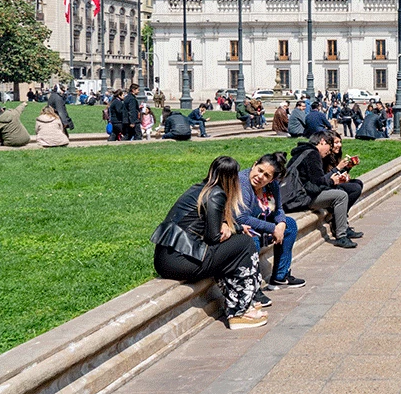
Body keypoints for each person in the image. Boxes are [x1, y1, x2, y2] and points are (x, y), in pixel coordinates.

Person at [151, 156, 267, 329]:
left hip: (167, 259)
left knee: (236, 246)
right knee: (244, 244)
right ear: (231, 178)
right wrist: (232, 229)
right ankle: (240, 311)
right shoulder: (217, 194)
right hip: (181, 261)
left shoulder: (200, 189)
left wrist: (232, 226)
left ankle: (244, 301)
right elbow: (214, 237)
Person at [236, 152, 306, 291]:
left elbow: (279, 208)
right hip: (242, 228)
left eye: (267, 175)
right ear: (254, 164)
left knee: (289, 224)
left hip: (262, 225)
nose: (260, 177)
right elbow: (242, 217)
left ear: (272, 179)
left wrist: (281, 224)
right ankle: (252, 289)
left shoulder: (272, 186)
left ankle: (280, 277)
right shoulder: (242, 182)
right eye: (259, 170)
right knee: (252, 239)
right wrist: (273, 228)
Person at [288, 130, 359, 248]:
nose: (329, 151)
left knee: (343, 191)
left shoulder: (304, 151)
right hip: (300, 198)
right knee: (341, 195)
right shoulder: (312, 155)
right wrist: (332, 181)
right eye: (330, 146)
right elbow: (316, 185)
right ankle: (341, 235)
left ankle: (342, 229)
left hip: (295, 195)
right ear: (322, 142)